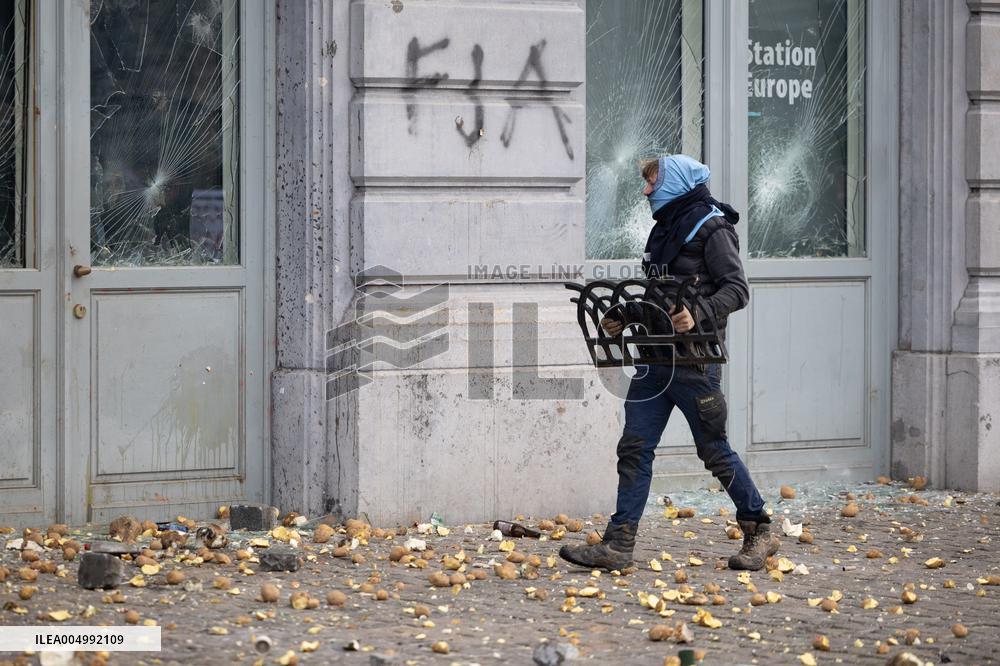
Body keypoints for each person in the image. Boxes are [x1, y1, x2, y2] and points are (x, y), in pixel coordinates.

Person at [559, 154, 779, 572]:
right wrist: (628, 315)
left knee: (713, 450)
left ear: (676, 183)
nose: (645, 192)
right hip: (654, 360)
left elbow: (737, 290)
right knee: (635, 447)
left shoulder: (713, 228)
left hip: (695, 363)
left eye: (652, 184)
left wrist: (700, 313)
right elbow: (661, 294)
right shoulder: (664, 230)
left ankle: (759, 530)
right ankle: (619, 545)